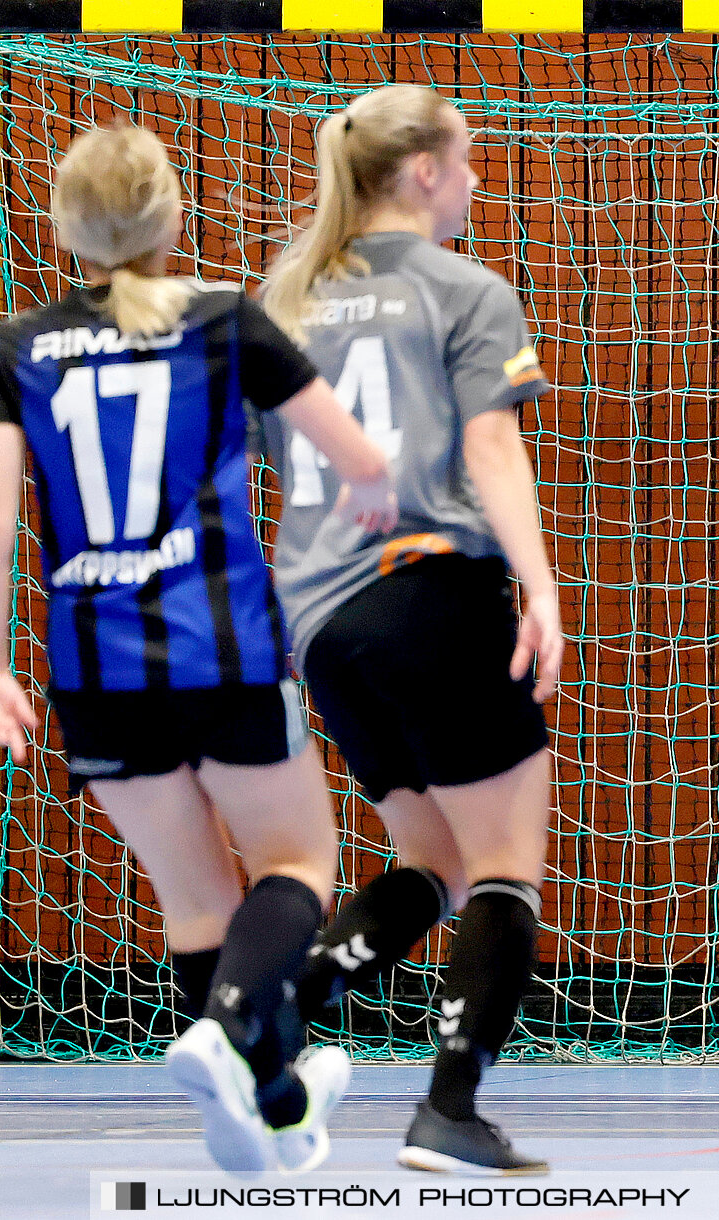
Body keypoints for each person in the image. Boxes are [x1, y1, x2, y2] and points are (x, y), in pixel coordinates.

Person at [0, 124, 401, 1173]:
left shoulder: (20, 347)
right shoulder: (222, 321)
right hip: (225, 650)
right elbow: (356, 461)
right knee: (299, 862)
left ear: (66, 230)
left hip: (95, 671)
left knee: (198, 898)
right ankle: (236, 1022)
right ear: (174, 219)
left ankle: (274, 1105)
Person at [255, 84, 562, 1176]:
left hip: (323, 623)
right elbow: (488, 447)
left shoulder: (285, 296)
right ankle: (450, 1108)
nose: (476, 182)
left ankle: (277, 1004)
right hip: (432, 590)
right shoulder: (465, 288)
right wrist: (538, 584)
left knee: (426, 859)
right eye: (467, 162)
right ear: (423, 171)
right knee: (504, 870)